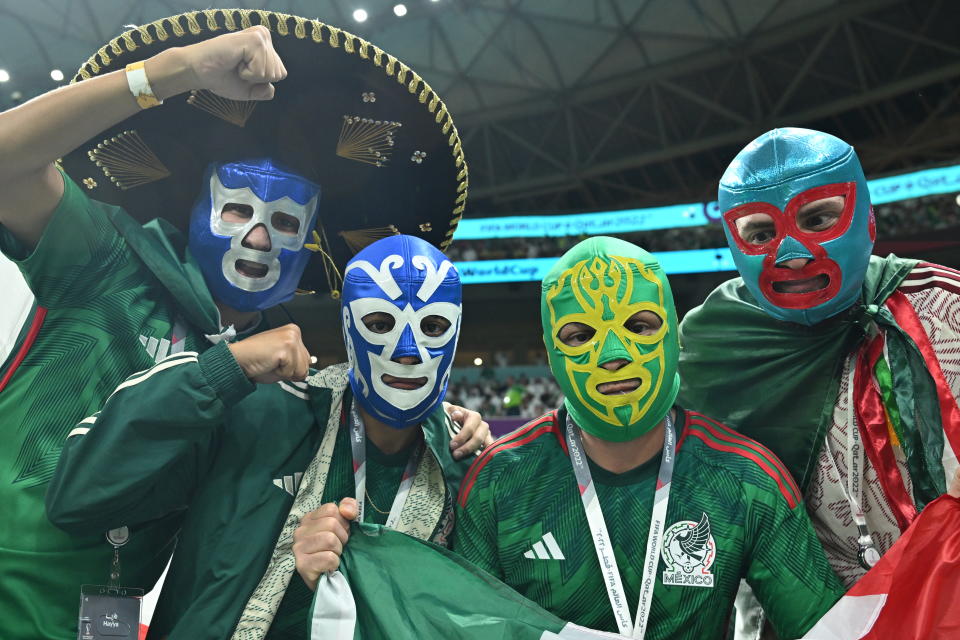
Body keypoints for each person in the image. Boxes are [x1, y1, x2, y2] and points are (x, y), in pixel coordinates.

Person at [0, 9, 484, 639]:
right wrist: (172, 72)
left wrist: (442, 424)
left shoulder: (274, 374)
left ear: (311, 244)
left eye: (285, 223)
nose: (258, 237)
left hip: (109, 616)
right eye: (236, 210)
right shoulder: (112, 259)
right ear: (196, 210)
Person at [47, 234, 479, 638]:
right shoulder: (258, 415)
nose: (408, 348)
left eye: (435, 326)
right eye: (381, 322)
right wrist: (219, 371)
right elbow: (78, 497)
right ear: (348, 326)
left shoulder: (466, 463)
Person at [450, 237, 842, 639]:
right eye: (580, 335)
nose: (612, 355)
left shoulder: (747, 479)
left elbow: (825, 633)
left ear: (674, 333)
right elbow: (460, 630)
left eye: (638, 326)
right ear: (551, 353)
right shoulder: (497, 482)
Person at [678, 127, 960, 588]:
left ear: (868, 221)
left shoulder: (944, 307)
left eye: (818, 220)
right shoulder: (713, 343)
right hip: (818, 615)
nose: (791, 254)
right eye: (761, 233)